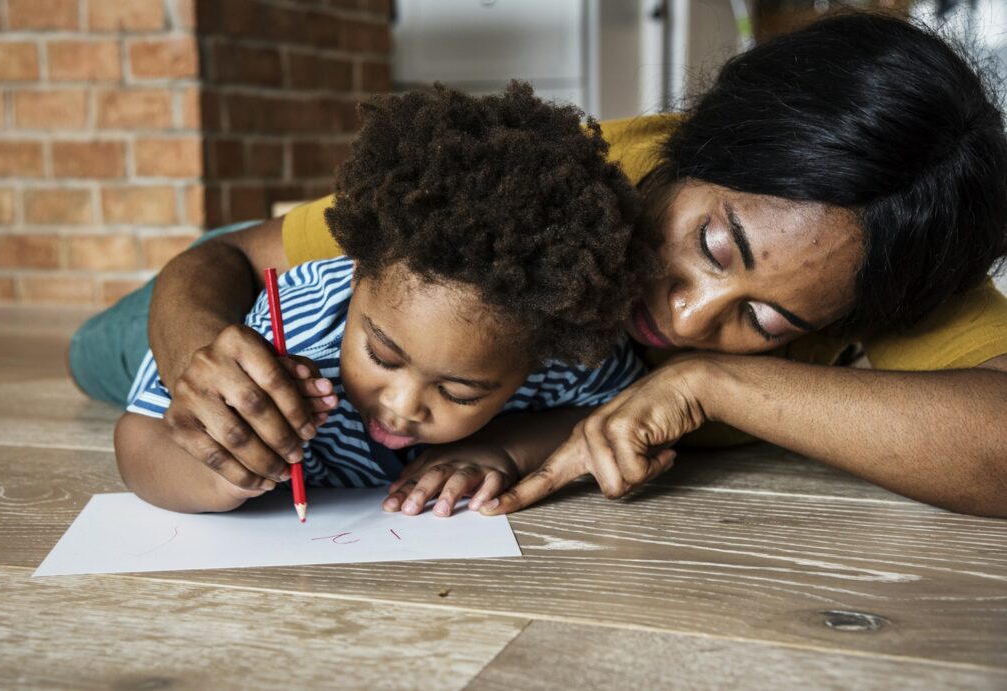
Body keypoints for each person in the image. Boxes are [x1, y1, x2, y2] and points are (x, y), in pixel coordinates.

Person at [74, 12, 1007, 518]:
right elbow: (228, 259)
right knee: (98, 350)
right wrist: (199, 348)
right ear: (692, 144)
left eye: (765, 322)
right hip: (294, 285)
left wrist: (712, 385)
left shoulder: (894, 251)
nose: (684, 319)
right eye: (712, 247)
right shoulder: (550, 184)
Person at [113, 83, 654, 514]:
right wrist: (218, 471)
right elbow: (138, 436)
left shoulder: (551, 345)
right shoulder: (293, 330)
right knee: (95, 353)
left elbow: (619, 407)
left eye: (460, 392)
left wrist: (508, 448)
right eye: (382, 356)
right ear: (354, 278)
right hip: (192, 293)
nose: (401, 405)